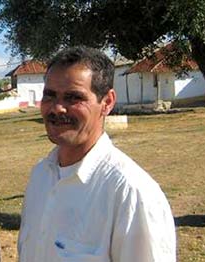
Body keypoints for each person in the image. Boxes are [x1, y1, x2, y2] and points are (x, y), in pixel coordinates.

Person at [18, 46, 176, 261]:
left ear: (107, 102)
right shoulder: (40, 177)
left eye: (73, 98)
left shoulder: (130, 193)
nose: (57, 108)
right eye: (50, 95)